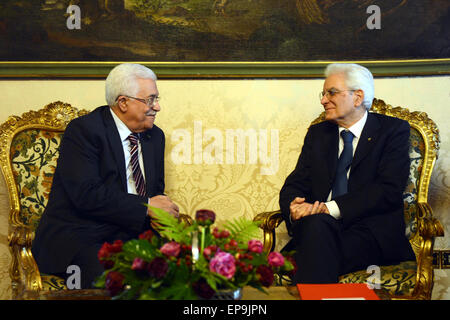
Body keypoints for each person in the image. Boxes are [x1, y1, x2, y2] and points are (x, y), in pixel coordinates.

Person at [32, 63, 179, 289]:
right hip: (83, 236)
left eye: (157, 98)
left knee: (184, 272)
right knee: (116, 281)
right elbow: (86, 195)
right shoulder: (84, 131)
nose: (157, 107)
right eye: (150, 100)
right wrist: (147, 206)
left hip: (132, 232)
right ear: (123, 102)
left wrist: (163, 211)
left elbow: (154, 190)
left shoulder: (154, 137)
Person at [279, 63, 415, 284]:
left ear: (357, 97)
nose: (323, 100)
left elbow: (387, 190)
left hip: (370, 232)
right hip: (320, 228)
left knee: (315, 246)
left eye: (331, 92)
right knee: (317, 228)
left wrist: (328, 208)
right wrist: (294, 208)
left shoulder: (392, 131)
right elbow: (295, 184)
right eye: (323, 94)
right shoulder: (318, 134)